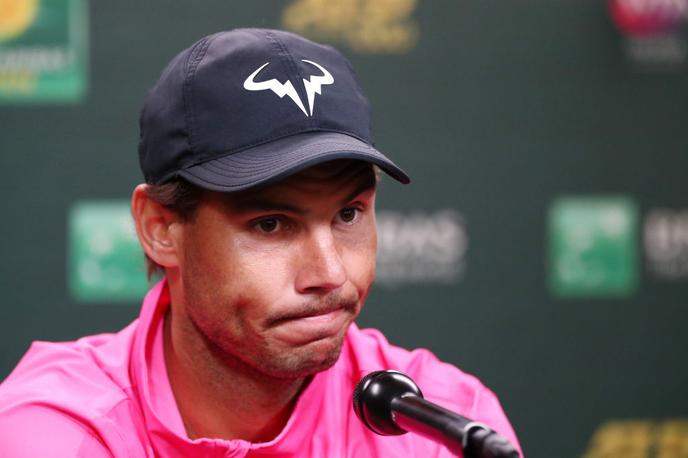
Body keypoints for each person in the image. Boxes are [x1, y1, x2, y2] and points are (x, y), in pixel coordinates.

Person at [0, 28, 522, 457]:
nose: (329, 272)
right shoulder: (58, 430)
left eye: (348, 214)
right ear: (161, 228)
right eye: (271, 224)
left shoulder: (443, 428)